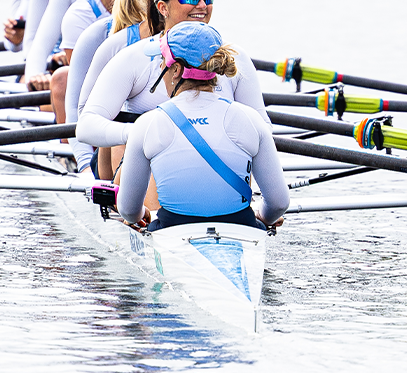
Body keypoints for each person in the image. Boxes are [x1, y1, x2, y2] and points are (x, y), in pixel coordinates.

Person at [75, 0, 268, 154]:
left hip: (215, 158)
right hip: (149, 166)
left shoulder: (236, 56)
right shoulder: (134, 57)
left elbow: (262, 128)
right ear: (163, 8)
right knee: (119, 147)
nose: (202, 5)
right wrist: (146, 131)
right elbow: (86, 125)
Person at [114, 22, 288, 231]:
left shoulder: (147, 124)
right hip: (241, 229)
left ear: (176, 70)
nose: (160, 67)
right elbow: (279, 203)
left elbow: (128, 210)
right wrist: (263, 217)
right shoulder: (251, 119)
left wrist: (143, 215)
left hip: (172, 230)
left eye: (162, 60)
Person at [64, 0, 142, 171]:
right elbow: (75, 109)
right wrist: (83, 166)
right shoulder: (98, 36)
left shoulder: (175, 38)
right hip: (113, 144)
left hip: (155, 141)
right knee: (61, 78)